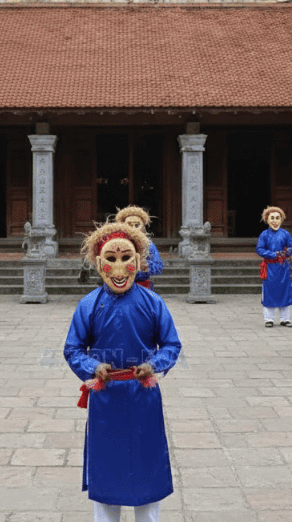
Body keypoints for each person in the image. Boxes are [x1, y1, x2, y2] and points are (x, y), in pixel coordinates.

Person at [64, 222, 181, 522]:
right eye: (111, 259)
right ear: (98, 263)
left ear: (139, 261)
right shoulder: (89, 304)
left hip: (143, 395)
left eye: (126, 258)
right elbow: (73, 348)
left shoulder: (153, 303)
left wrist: (153, 364)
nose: (118, 268)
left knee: (146, 471)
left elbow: (171, 344)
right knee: (107, 473)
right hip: (106, 400)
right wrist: (93, 367)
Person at [256, 205, 292, 328]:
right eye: (272, 218)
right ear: (267, 219)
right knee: (269, 292)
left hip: (283, 267)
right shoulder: (264, 234)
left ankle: (285, 318)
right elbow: (259, 249)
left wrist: (287, 252)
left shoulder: (285, 234)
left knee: (285, 291)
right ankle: (269, 319)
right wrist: (272, 254)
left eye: (277, 218)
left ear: (281, 220)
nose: (275, 221)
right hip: (270, 268)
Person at [115, 205, 164, 290]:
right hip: (120, 286)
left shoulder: (149, 245)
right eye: (130, 225)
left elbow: (158, 266)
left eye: (137, 225)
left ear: (143, 228)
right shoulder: (116, 244)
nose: (133, 229)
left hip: (143, 287)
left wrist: (146, 266)